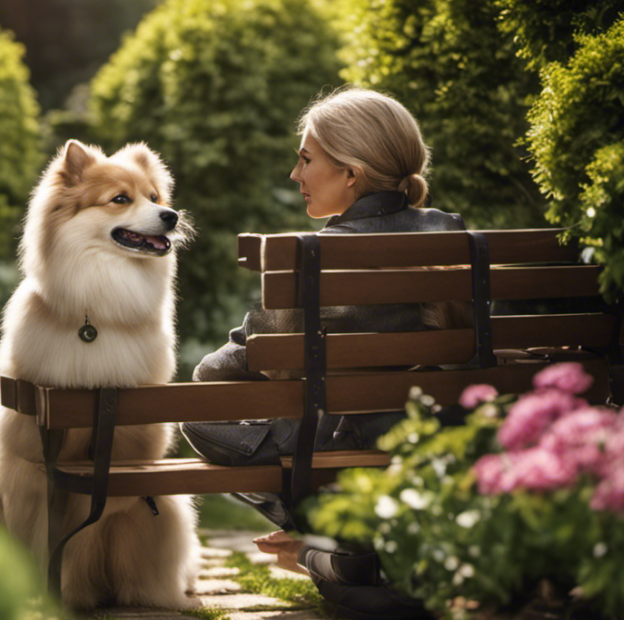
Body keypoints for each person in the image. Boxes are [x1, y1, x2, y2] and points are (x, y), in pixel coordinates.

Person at [181, 87, 466, 619]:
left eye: (306, 158)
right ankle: (344, 558)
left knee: (199, 423)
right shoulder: (452, 236)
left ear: (352, 174)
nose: (296, 174)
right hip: (426, 441)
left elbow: (213, 372)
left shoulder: (309, 257)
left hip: (328, 449)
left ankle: (324, 548)